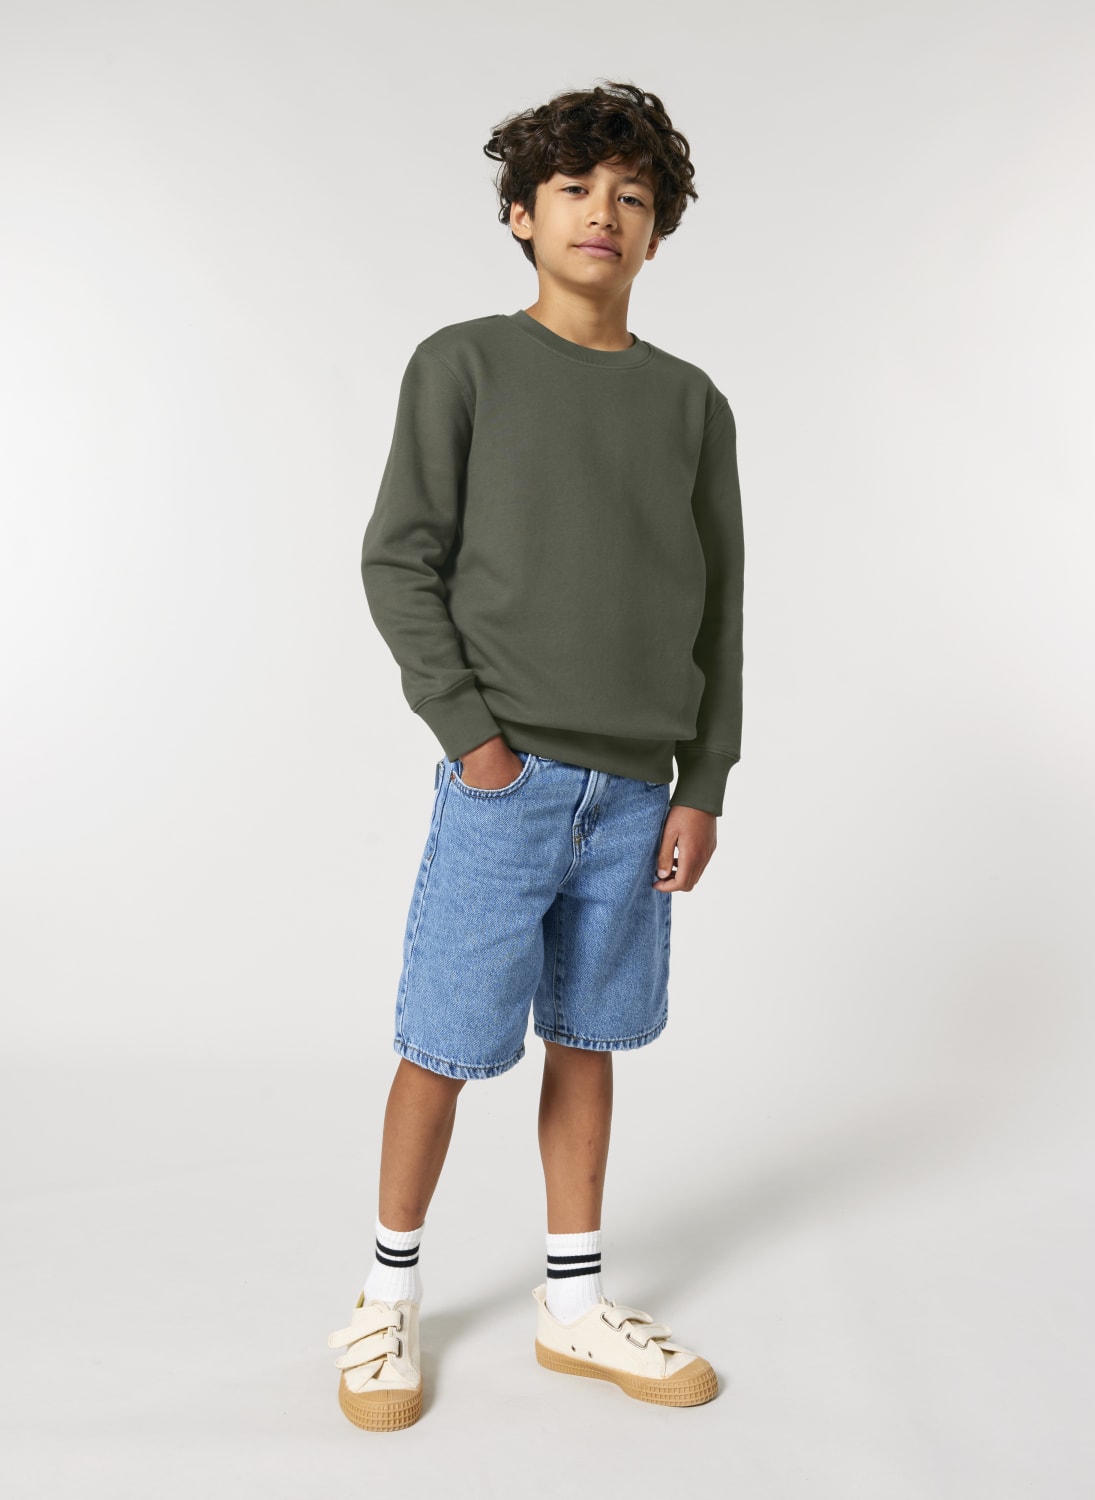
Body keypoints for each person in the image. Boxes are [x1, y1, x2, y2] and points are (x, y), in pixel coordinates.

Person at [326, 79, 744, 1430]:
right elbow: (400, 561)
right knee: (444, 1040)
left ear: (658, 233)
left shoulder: (691, 405)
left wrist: (702, 783)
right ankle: (385, 1296)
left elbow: (721, 606)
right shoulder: (464, 365)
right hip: (505, 783)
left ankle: (574, 1305)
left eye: (633, 196)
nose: (603, 213)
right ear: (522, 213)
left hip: (637, 794)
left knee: (590, 1036)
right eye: (574, 188)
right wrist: (476, 741)